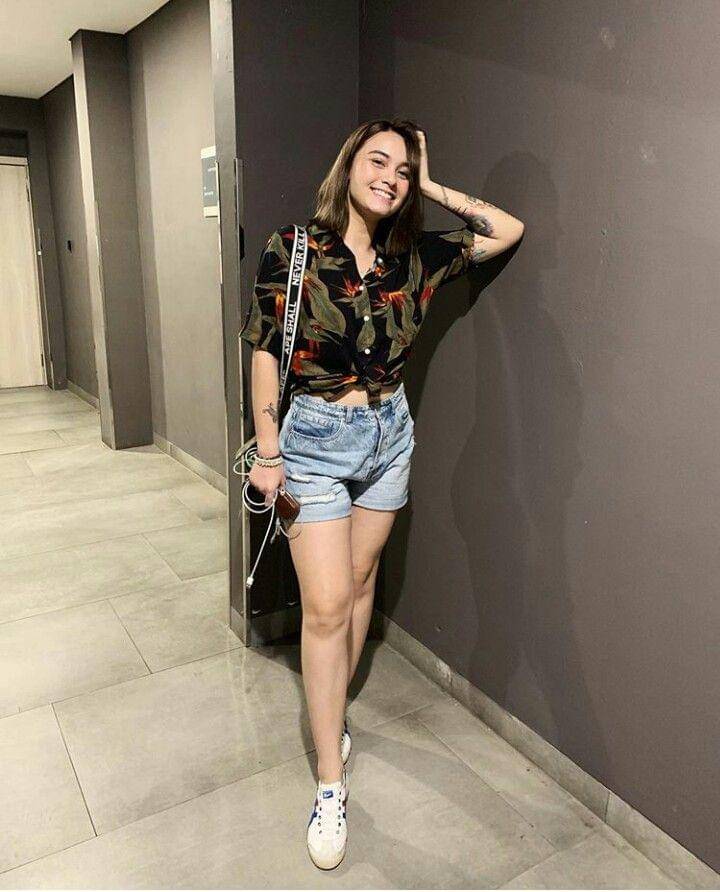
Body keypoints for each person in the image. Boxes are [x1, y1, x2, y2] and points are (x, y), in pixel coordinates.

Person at [239, 118, 525, 870]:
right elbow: (264, 349)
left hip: (390, 436)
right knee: (327, 606)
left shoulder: (418, 257)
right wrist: (267, 450)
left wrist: (433, 186)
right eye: (379, 161)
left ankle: (333, 708)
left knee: (362, 579)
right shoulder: (292, 248)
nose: (390, 178)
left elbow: (507, 230)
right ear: (349, 165)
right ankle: (329, 780)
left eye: (403, 170)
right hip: (313, 442)